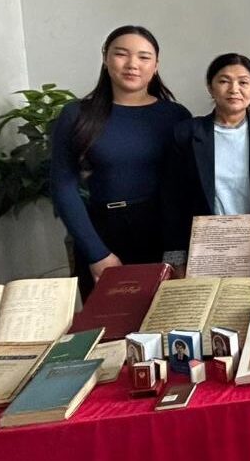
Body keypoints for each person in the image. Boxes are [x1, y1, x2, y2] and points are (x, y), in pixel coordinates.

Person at [50, 26, 190, 298]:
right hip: (100, 234)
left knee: (164, 317)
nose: (132, 64)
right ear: (105, 58)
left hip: (159, 233)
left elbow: (181, 192)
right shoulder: (77, 114)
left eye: (144, 57)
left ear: (156, 65)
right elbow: (63, 188)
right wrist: (96, 253)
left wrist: (176, 253)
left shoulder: (175, 116)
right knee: (107, 320)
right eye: (121, 54)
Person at [166, 54, 250, 274]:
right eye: (224, 81)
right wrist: (175, 256)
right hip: (209, 248)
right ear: (211, 88)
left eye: (243, 82)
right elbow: (173, 200)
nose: (234, 89)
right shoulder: (186, 134)